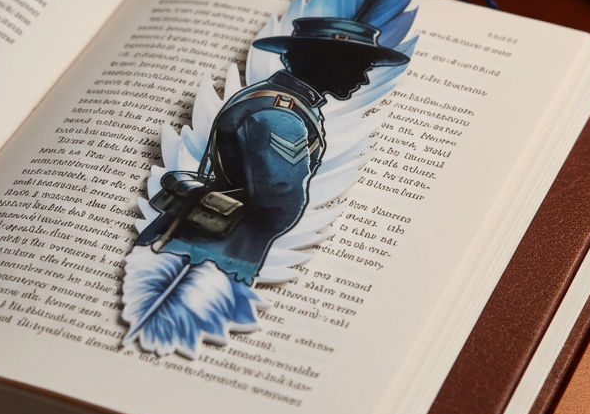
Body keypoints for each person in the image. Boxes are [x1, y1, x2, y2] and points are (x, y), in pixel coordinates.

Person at [135, 17, 410, 285]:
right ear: (325, 60)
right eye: (358, 65)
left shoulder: (273, 97)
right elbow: (281, 201)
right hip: (216, 253)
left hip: (201, 239)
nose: (364, 78)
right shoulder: (281, 116)